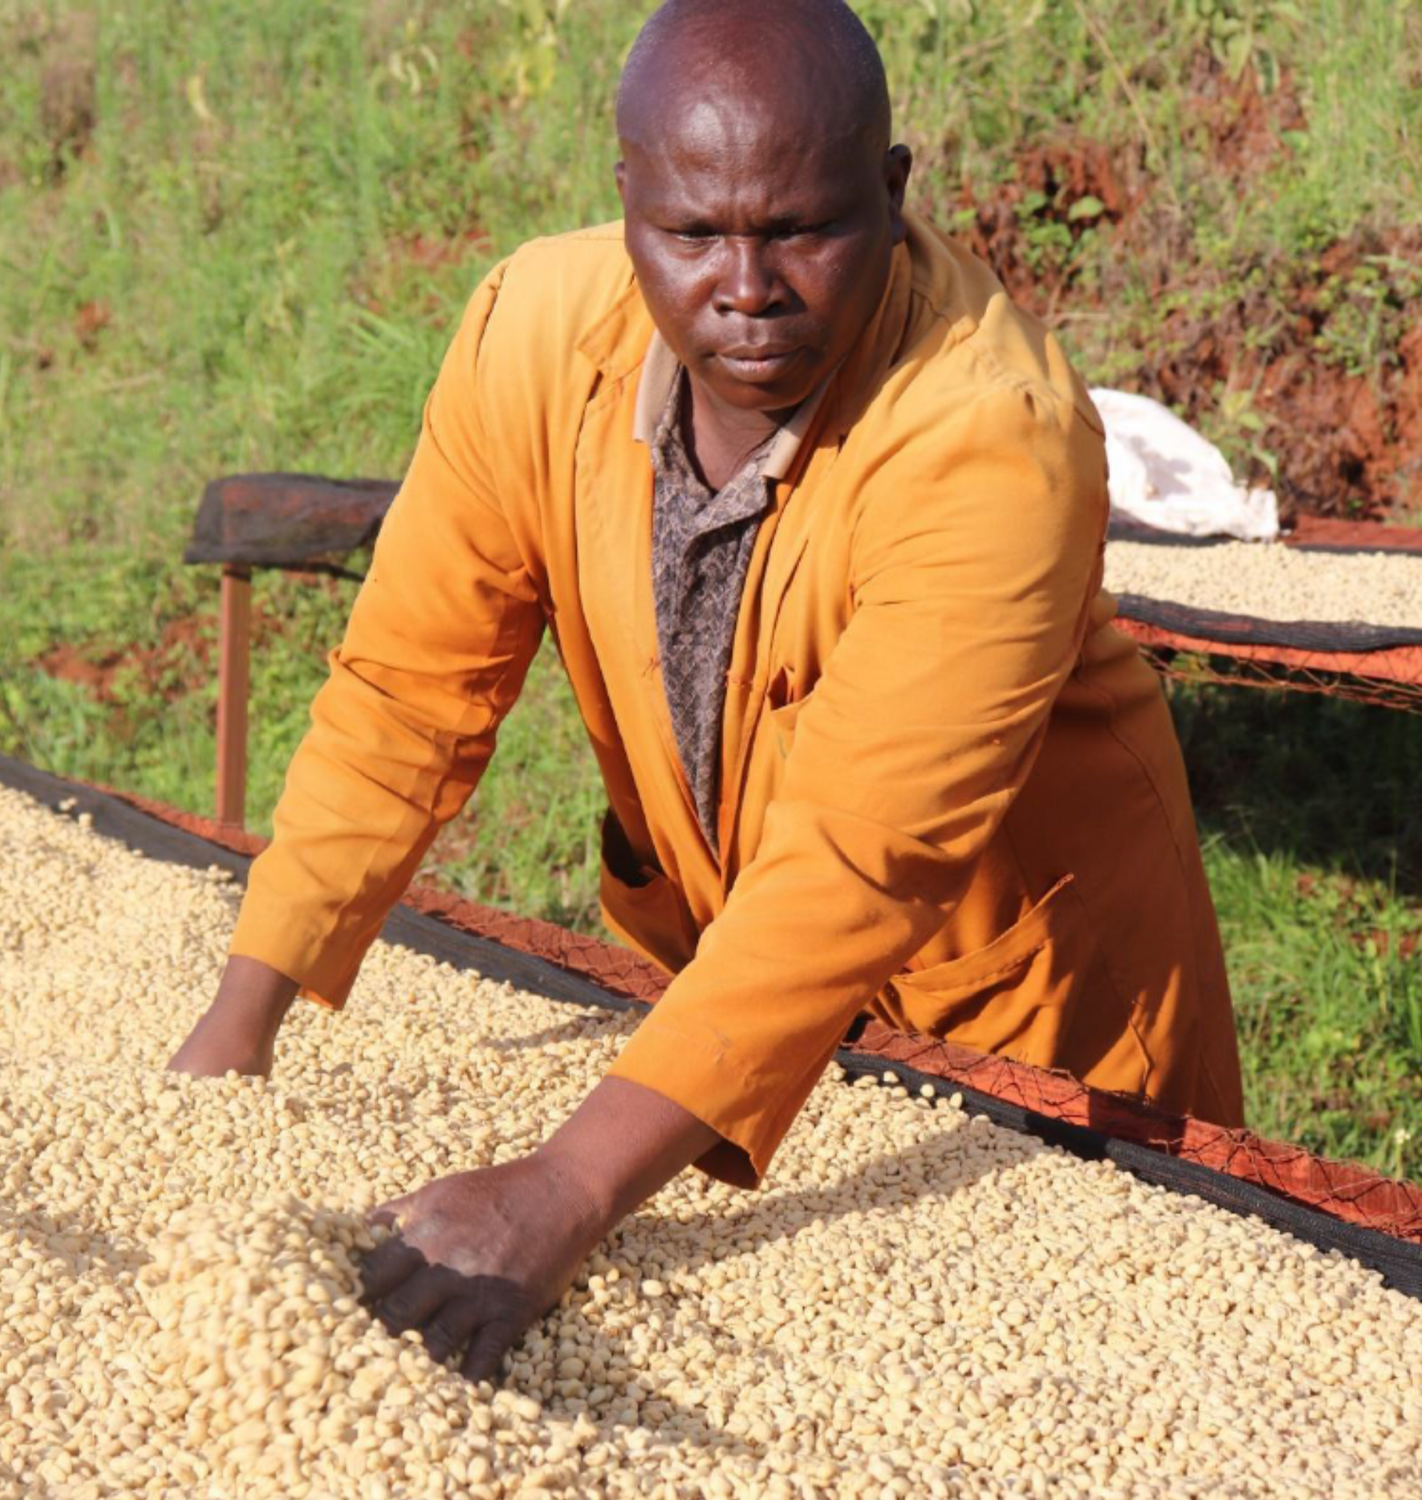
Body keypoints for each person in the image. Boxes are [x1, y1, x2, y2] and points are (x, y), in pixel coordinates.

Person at [169, 0, 1243, 1379]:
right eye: (691, 236)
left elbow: (865, 856)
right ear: (627, 205)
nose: (747, 287)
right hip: (733, 982)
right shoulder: (533, 337)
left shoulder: (990, 436)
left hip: (1022, 1011)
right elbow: (408, 692)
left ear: (894, 193)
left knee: (1067, 1377)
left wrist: (564, 1189)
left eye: (804, 229)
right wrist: (239, 1024)